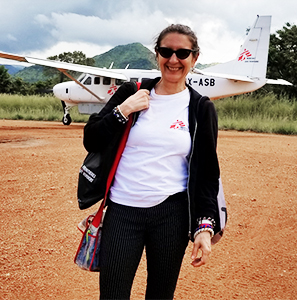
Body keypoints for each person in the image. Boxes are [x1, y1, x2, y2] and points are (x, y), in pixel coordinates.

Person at [83, 24, 220, 300]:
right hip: (123, 211)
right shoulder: (130, 92)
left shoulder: (200, 108)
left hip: (172, 215)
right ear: (156, 54)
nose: (173, 59)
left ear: (194, 57)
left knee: (160, 295)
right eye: (166, 51)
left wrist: (204, 227)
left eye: (182, 52)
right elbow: (91, 139)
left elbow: (207, 172)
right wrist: (123, 111)